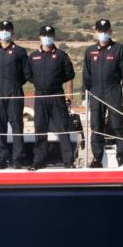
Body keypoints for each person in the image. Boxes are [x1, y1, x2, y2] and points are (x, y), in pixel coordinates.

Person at [82, 18, 123, 167]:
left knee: (117, 124)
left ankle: (121, 157)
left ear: (110, 32)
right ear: (96, 32)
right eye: (100, 31)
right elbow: (86, 75)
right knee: (96, 126)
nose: (103, 33)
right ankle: (97, 158)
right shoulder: (90, 51)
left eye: (106, 31)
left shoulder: (118, 49)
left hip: (113, 90)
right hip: (96, 91)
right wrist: (84, 95)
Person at [28, 25, 76, 169]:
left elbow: (70, 74)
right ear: (40, 37)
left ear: (53, 37)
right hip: (40, 96)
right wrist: (40, 83)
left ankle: (68, 161)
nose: (47, 37)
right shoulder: (33, 56)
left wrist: (55, 82)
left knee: (63, 128)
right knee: (40, 128)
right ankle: (39, 160)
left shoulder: (61, 55)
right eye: (44, 35)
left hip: (56, 95)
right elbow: (28, 75)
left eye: (49, 35)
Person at [0, 20, 32, 169]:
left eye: (7, 30)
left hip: (15, 90)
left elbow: (26, 73)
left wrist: (15, 84)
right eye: (2, 29)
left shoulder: (20, 51)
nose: (4, 32)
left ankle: (18, 159)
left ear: (12, 33)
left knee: (17, 124)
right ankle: (0, 159)